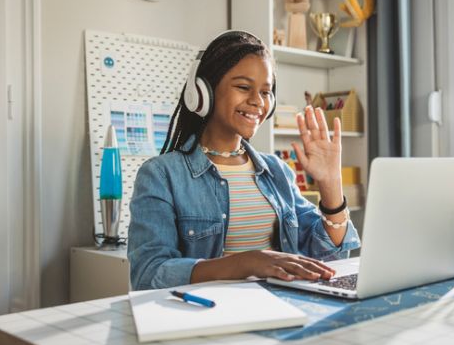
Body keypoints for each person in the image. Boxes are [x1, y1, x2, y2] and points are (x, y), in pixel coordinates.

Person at [128, 30, 361, 291]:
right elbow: (148, 274)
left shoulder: (276, 171)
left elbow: (330, 257)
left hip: (282, 307)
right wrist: (245, 263)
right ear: (203, 92)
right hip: (209, 314)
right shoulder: (161, 175)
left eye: (266, 91)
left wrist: (331, 184)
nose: (257, 101)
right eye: (243, 87)